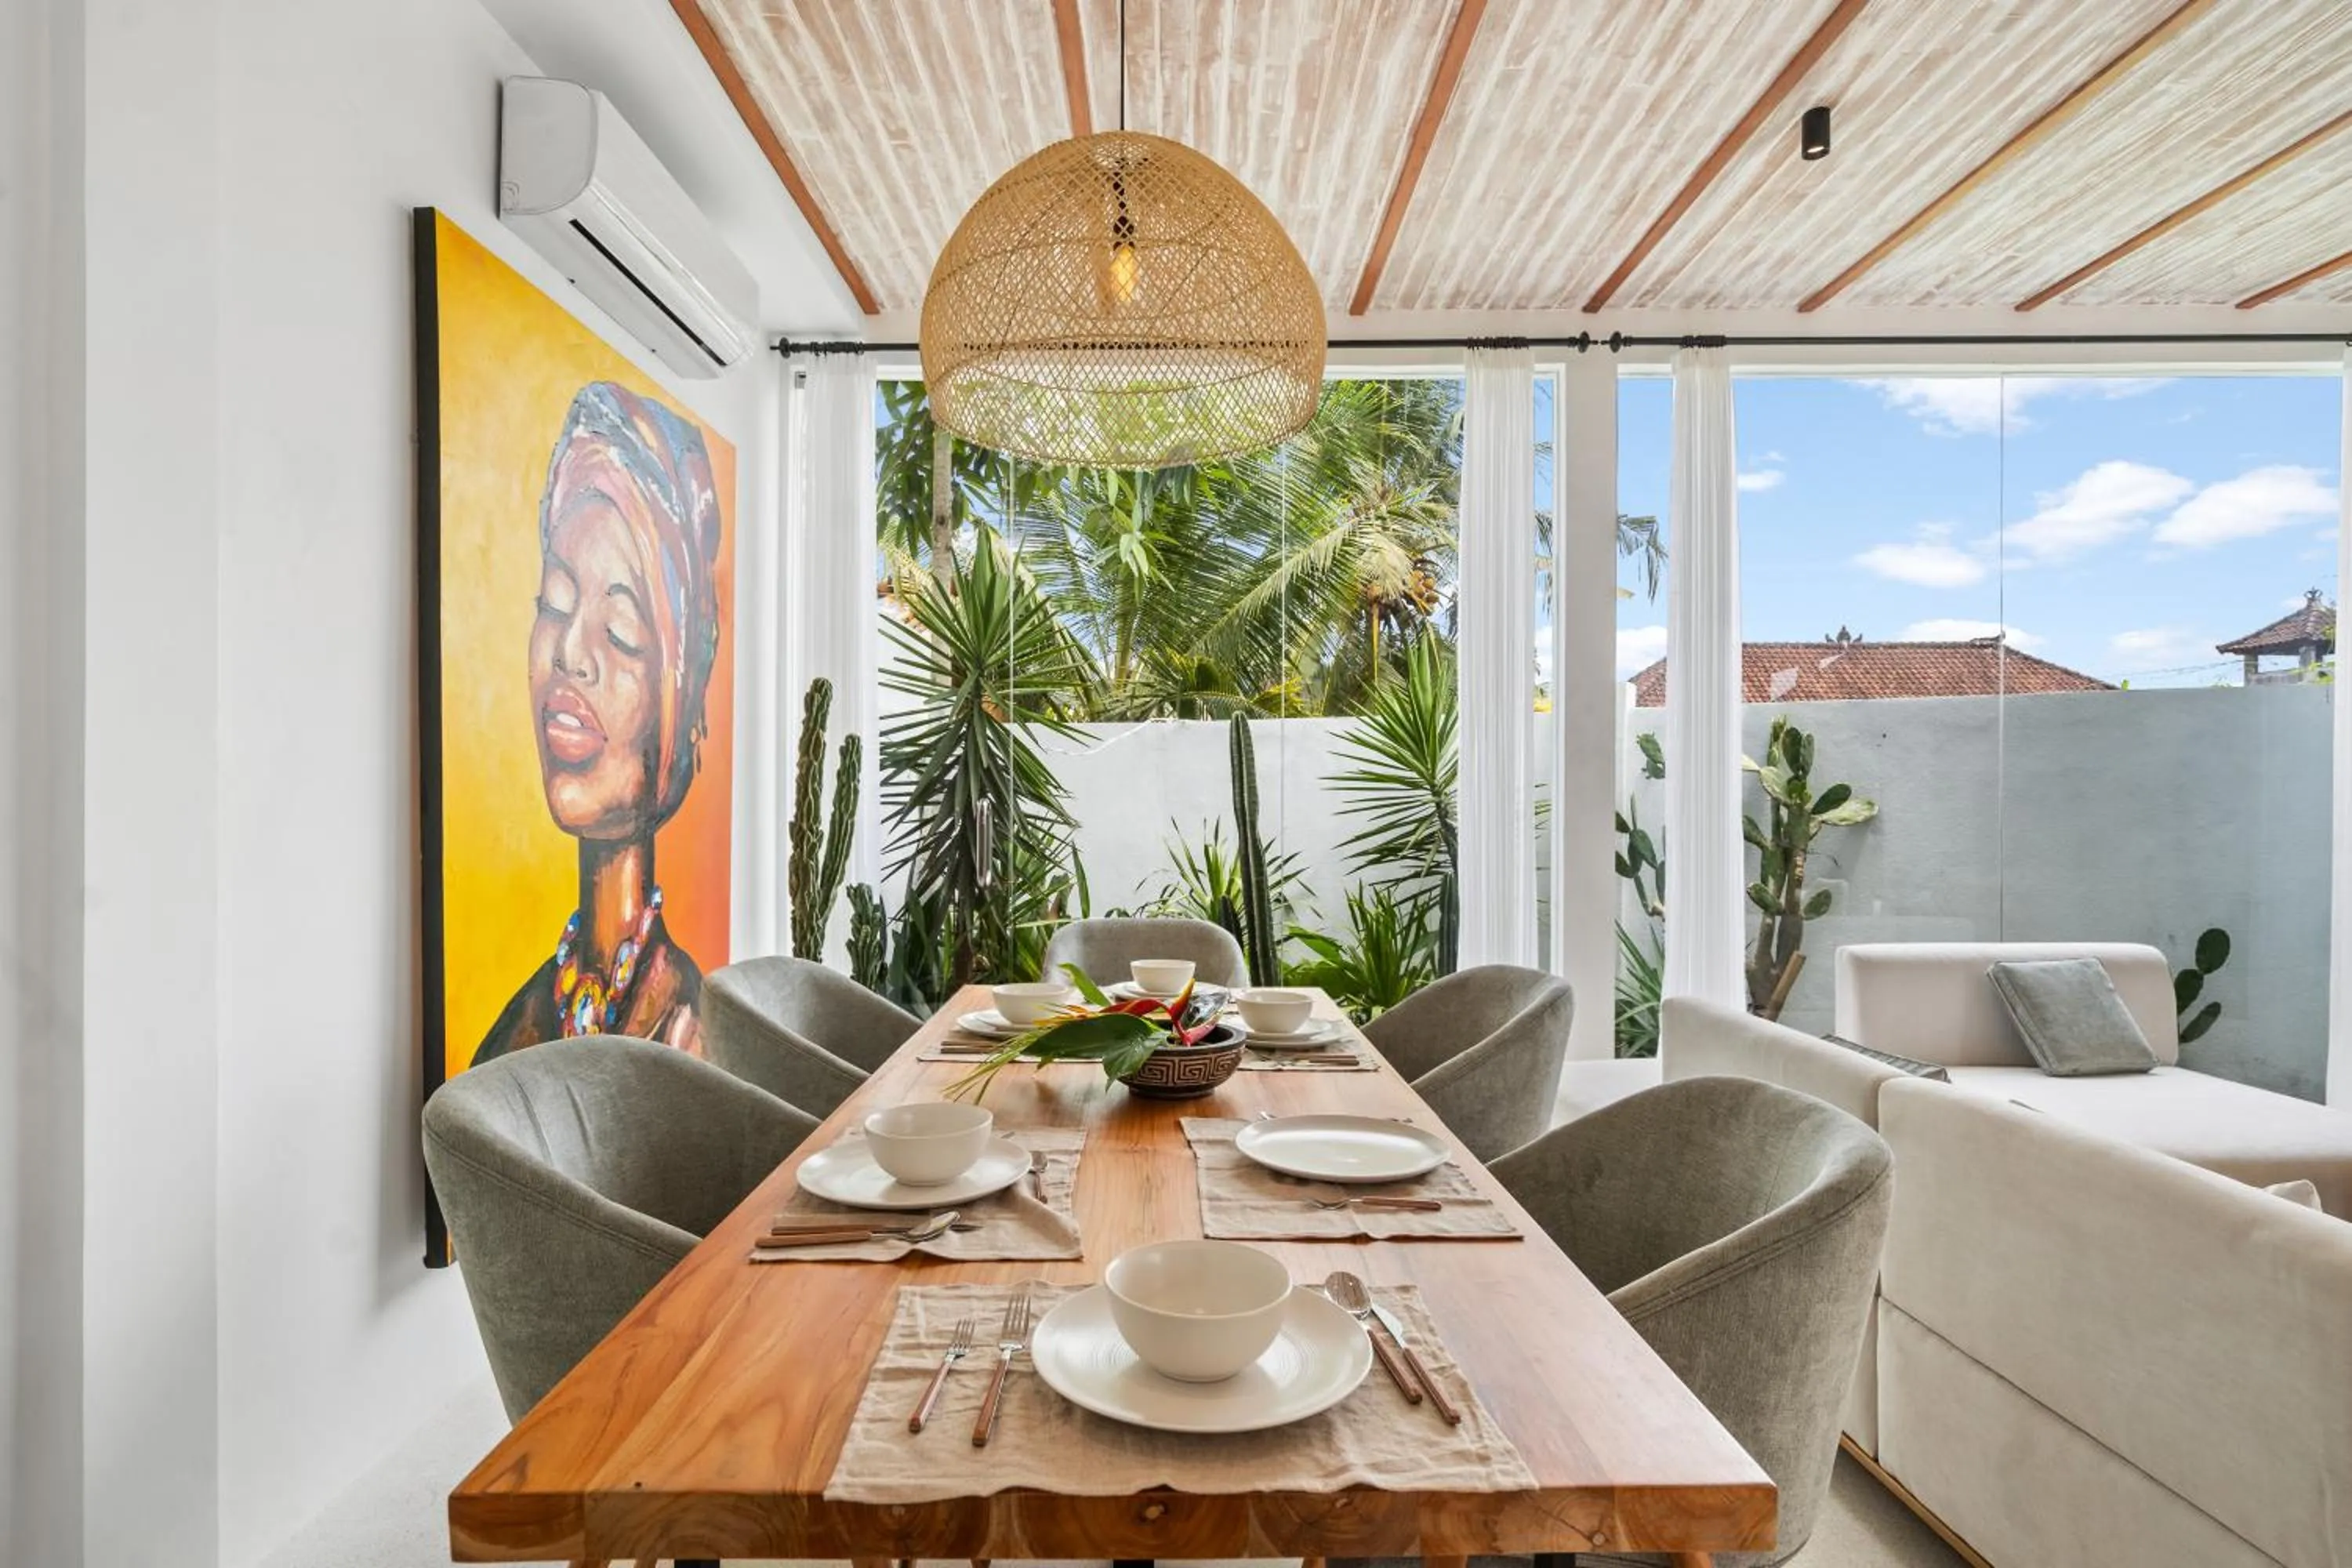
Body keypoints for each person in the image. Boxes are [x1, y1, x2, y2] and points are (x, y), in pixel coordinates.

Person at [473, 381, 722, 1064]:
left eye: (621, 630)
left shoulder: (690, 1032)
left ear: (685, 699)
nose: (568, 653)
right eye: (554, 602)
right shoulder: (508, 1042)